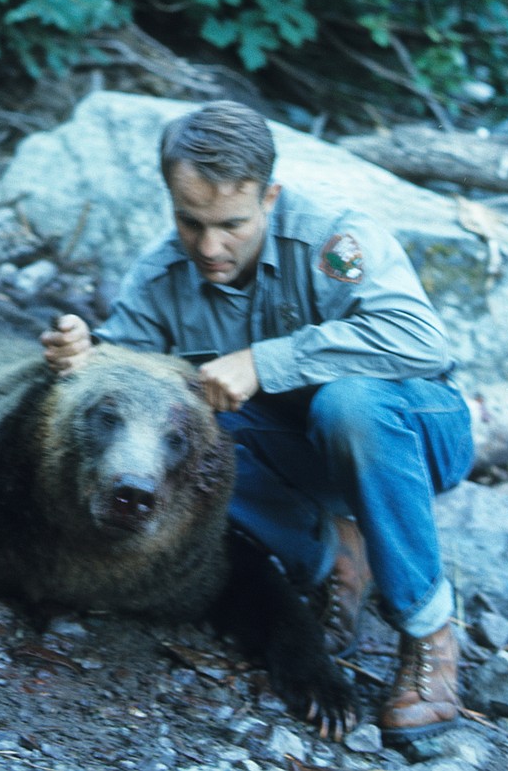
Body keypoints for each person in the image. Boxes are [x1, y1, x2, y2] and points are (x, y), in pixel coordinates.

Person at [39, 100, 474, 741]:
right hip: (299, 457)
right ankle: (332, 552)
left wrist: (265, 363)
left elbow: (420, 341)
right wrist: (79, 352)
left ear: (269, 196)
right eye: (190, 222)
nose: (210, 247)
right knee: (190, 441)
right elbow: (119, 374)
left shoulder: (333, 242)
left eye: (232, 225)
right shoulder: (162, 275)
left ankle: (429, 631)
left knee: (349, 403)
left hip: (412, 433)